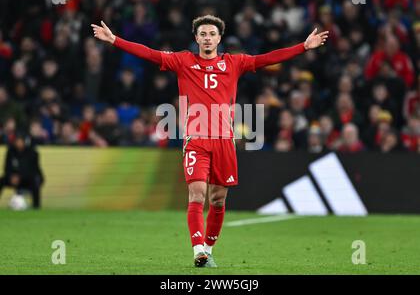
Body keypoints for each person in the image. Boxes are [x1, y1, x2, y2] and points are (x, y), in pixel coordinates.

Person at [91, 15, 328, 267]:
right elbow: (149, 54)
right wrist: (115, 40)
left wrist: (302, 47)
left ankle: (208, 248)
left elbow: (266, 59)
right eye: (202, 34)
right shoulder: (183, 61)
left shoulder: (234, 63)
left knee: (218, 200)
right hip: (196, 140)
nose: (207, 38)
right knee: (197, 194)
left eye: (211, 34)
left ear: (219, 38)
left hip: (224, 140)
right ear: (196, 38)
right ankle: (197, 251)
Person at [0, 132, 44, 209]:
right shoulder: (10, 151)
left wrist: (20, 177)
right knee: (1, 181)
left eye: (20, 141)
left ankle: (36, 206)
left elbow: (33, 170)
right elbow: (7, 167)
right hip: (12, 178)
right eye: (17, 141)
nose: (19, 143)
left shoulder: (32, 152)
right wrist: (11, 176)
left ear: (24, 141)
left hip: (28, 178)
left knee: (35, 182)